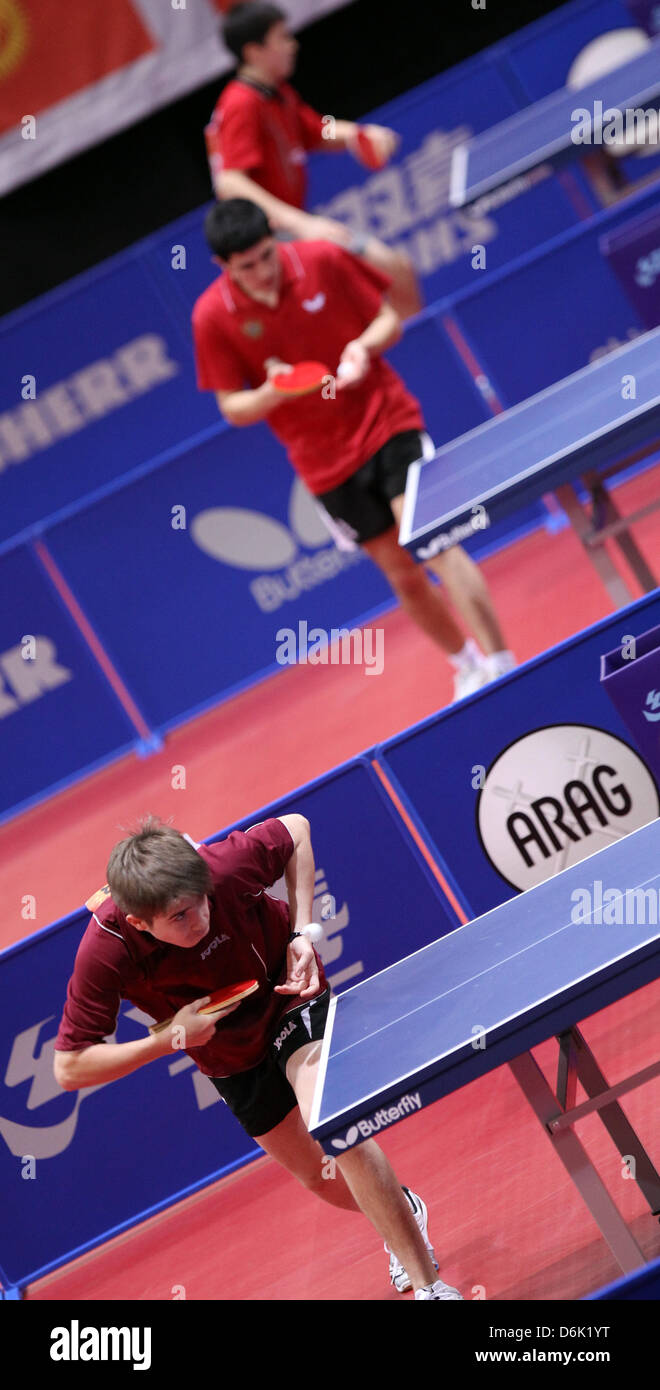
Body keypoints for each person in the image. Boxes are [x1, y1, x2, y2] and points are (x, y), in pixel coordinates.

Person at [53, 813, 463, 1300]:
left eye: (200, 901)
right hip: (227, 1054)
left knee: (332, 1126)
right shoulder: (106, 950)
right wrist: (167, 1041)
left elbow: (297, 830)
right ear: (141, 922)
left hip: (287, 992)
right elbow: (69, 1067)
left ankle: (429, 1288)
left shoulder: (222, 867)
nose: (200, 919)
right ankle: (402, 1210)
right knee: (318, 1175)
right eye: (179, 917)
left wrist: (302, 933)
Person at [191, 198, 514, 700]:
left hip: (386, 419)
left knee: (433, 541)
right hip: (323, 461)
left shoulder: (321, 259)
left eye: (266, 256)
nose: (262, 272)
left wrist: (362, 348)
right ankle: (466, 666)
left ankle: (502, 662)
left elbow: (391, 319)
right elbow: (232, 407)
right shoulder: (211, 317)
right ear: (222, 267)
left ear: (275, 243)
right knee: (403, 576)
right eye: (246, 267)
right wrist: (273, 391)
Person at [206, 0, 422, 319]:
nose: (293, 45)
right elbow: (229, 181)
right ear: (254, 51)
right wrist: (304, 224)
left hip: (291, 228)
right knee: (390, 268)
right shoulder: (241, 103)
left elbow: (317, 130)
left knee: (391, 274)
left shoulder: (276, 94)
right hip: (272, 241)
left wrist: (358, 134)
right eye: (282, 37)